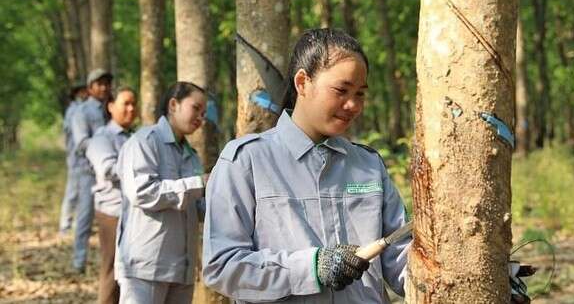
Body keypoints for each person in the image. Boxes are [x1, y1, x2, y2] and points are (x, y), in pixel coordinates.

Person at [202, 28, 411, 303]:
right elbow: (222, 266)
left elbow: (403, 261)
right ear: (303, 82)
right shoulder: (247, 161)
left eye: (360, 94)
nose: (352, 105)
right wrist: (311, 267)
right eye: (341, 90)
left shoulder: (368, 165)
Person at [115, 82, 208, 304]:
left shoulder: (191, 155)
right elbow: (142, 192)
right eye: (195, 108)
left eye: (204, 113)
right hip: (145, 267)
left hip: (181, 267)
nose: (200, 118)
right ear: (174, 104)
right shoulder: (144, 142)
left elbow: (195, 208)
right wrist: (199, 184)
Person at [86, 86, 137, 304]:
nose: (131, 109)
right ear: (110, 106)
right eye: (125, 103)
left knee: (131, 272)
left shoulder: (137, 137)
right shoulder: (101, 137)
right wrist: (141, 171)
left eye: (133, 104)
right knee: (111, 269)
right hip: (112, 212)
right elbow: (107, 169)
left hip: (135, 212)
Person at [70, 68, 113, 273]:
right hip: (88, 172)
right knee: (85, 217)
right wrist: (103, 149)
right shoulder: (82, 112)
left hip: (112, 173)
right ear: (90, 88)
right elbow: (81, 142)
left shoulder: (111, 108)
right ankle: (79, 262)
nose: (104, 87)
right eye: (99, 84)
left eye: (107, 83)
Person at [59, 84, 88, 235]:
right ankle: (65, 226)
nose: (84, 93)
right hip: (75, 158)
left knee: (81, 193)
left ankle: (76, 224)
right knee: (72, 193)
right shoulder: (74, 110)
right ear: (76, 93)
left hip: (81, 159)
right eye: (81, 91)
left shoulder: (82, 108)